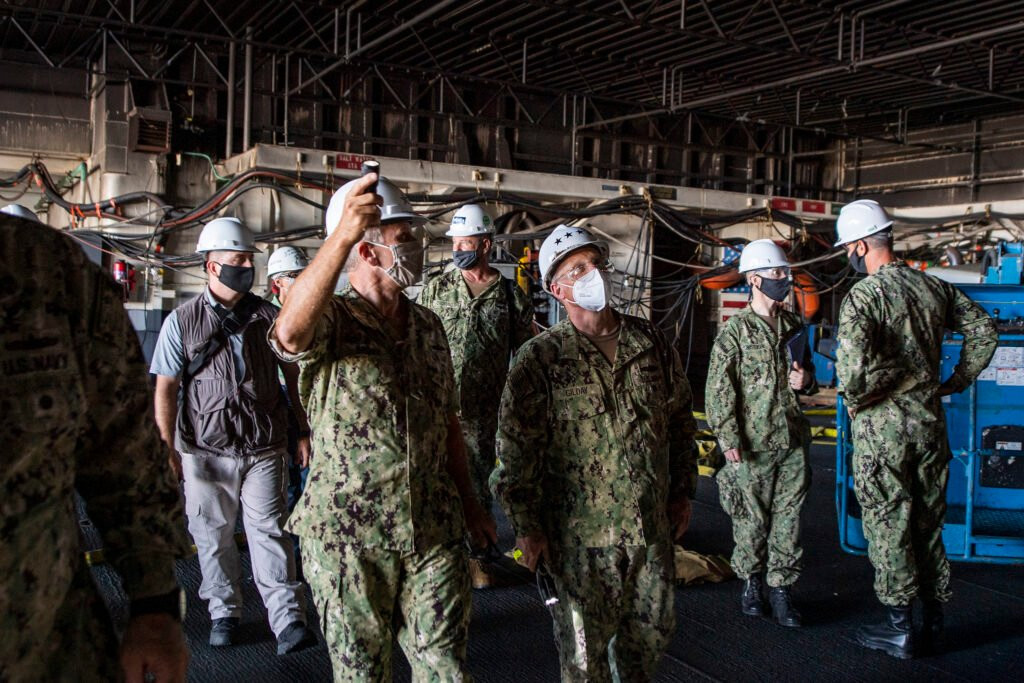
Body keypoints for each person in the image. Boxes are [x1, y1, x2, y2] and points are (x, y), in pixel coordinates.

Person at [271, 173, 497, 680]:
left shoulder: (428, 325)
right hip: (351, 540)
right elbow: (288, 332)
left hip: (433, 530)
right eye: (405, 238)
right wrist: (342, 236)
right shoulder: (333, 319)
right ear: (369, 252)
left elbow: (447, 420)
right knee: (363, 675)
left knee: (446, 671)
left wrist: (469, 500)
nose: (417, 246)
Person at [491, 224, 698, 681]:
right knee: (584, 663)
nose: (594, 275)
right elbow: (515, 454)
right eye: (579, 268)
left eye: (597, 264)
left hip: (649, 532)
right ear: (555, 287)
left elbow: (680, 420)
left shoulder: (651, 343)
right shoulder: (538, 360)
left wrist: (684, 491)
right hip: (580, 544)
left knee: (648, 644)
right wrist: (526, 529)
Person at [1, 211, 190, 681]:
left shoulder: (45, 272)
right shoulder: (184, 322)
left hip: (46, 646)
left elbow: (123, 445)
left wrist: (155, 602)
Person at [834, 199, 997, 659]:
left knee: (888, 525)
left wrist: (863, 399)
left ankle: (901, 628)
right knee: (928, 522)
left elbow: (851, 377)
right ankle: (933, 619)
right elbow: (983, 330)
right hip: (929, 427)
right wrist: (955, 381)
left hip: (882, 436)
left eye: (849, 247)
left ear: (862, 245)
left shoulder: (862, 298)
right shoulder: (932, 288)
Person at [151, 217, 314, 654]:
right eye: (236, 260)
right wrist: (166, 448)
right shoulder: (181, 323)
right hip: (205, 451)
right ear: (210, 266)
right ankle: (224, 612)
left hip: (264, 447)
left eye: (248, 259)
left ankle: (288, 619)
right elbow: (165, 388)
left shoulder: (268, 316)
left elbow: (293, 376)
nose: (246, 266)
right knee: (213, 535)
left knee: (271, 532)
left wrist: (301, 429)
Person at [419, 203, 535, 588]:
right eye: (455, 244)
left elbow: (526, 353)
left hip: (486, 409)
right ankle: (443, 555)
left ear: (486, 245)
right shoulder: (436, 288)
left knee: (480, 477)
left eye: (465, 243)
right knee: (437, 478)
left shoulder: (509, 295)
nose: (458, 251)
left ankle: (479, 555)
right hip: (439, 405)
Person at [705, 239, 815, 628]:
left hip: (791, 441)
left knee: (789, 520)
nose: (785, 279)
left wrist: (806, 381)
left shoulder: (793, 326)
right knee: (751, 520)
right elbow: (719, 389)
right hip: (752, 444)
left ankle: (782, 589)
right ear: (754, 280)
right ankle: (751, 584)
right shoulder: (735, 333)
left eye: (785, 273)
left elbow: (808, 377)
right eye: (777, 273)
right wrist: (728, 438)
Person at [267, 245, 313, 515]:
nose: (302, 280)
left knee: (307, 485)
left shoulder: (312, 314)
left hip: (308, 402)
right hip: (282, 404)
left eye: (303, 273)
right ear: (278, 283)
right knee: (287, 489)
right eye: (294, 274)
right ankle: (291, 553)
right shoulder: (267, 319)